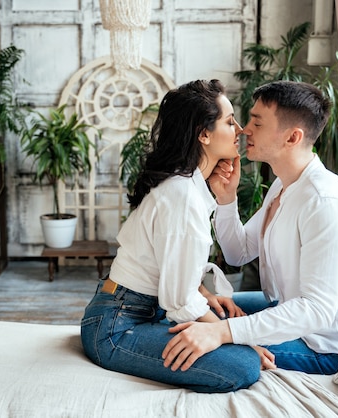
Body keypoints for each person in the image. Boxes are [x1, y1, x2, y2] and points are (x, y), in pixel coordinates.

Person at [162, 80, 338, 375]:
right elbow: (238, 254)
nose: (244, 129)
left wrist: (223, 333)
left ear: (292, 137)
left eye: (257, 123)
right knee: (194, 311)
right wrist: (226, 199)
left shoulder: (325, 203)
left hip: (324, 346)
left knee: (204, 340)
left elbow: (317, 310)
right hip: (283, 309)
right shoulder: (283, 185)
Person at [80, 79, 275, 394]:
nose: (240, 129)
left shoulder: (190, 187)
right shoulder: (181, 196)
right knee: (243, 364)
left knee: (253, 309)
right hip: (118, 328)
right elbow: (180, 300)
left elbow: (171, 265)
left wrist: (208, 299)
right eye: (229, 121)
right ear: (203, 134)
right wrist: (242, 341)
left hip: (147, 310)